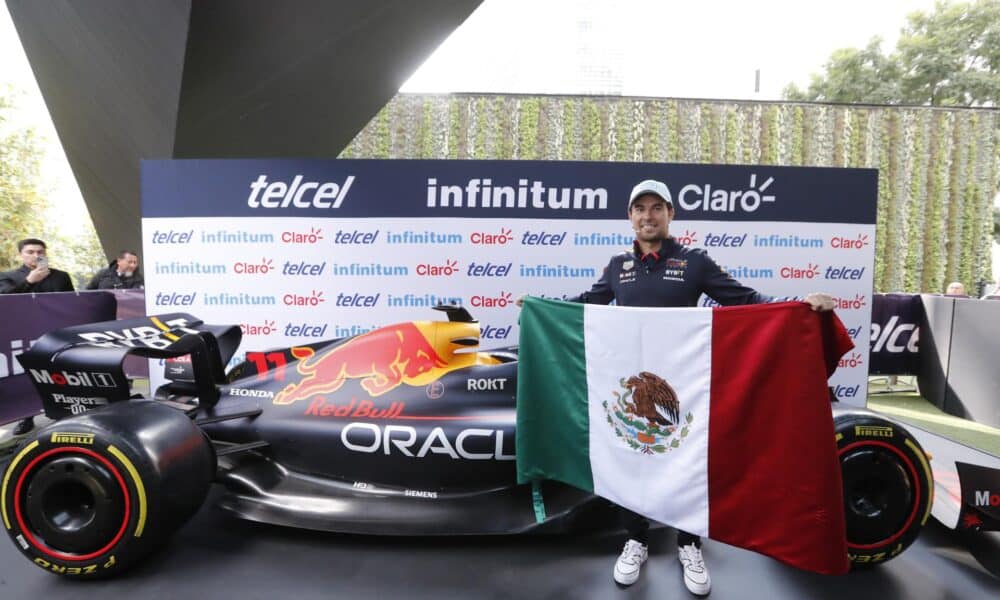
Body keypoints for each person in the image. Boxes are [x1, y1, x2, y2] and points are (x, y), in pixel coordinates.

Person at [521, 179, 835, 595]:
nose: (648, 216)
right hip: (632, 389)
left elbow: (745, 299)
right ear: (630, 217)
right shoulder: (618, 265)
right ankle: (635, 539)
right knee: (629, 459)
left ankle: (689, 543)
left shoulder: (695, 261)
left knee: (687, 462)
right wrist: (540, 309)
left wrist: (799, 306)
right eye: (640, 209)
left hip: (683, 388)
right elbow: (585, 305)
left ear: (670, 214)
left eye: (656, 208)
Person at [0, 238, 74, 294]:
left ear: (45, 254)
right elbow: (6, 299)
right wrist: (28, 282)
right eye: (30, 252)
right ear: (20, 255)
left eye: (40, 252)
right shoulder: (6, 276)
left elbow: (71, 301)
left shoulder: (62, 275)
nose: (36, 256)